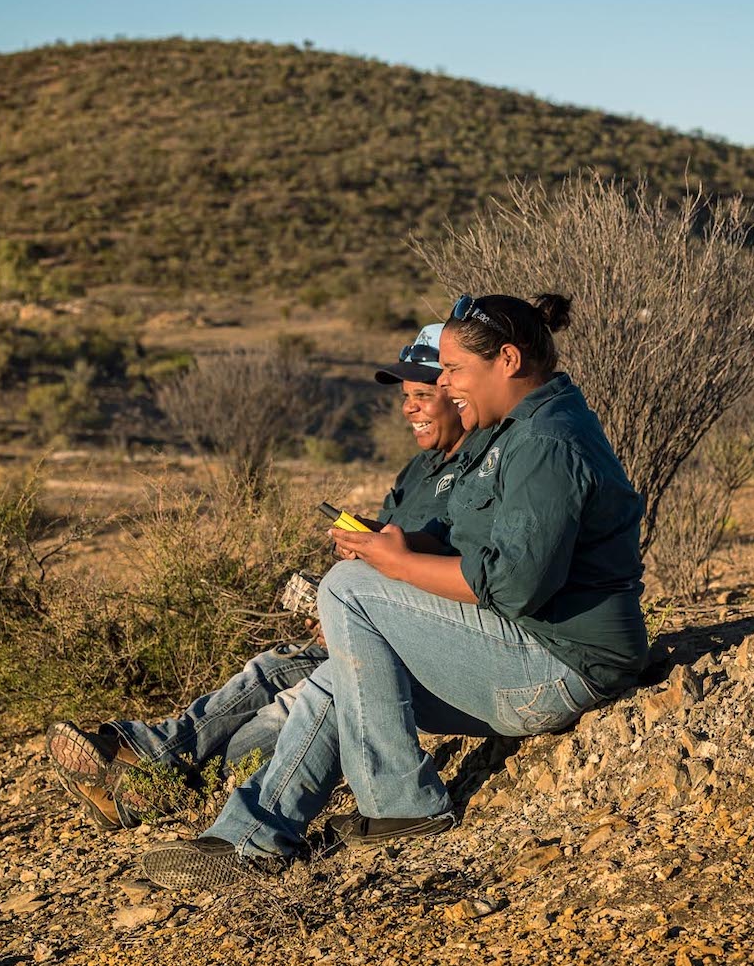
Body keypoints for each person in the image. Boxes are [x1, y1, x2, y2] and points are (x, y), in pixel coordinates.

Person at [139, 293, 647, 890]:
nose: (446, 383)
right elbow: (497, 561)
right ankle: (252, 838)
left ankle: (403, 802)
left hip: (560, 665)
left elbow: (513, 587)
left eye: (454, 370)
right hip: (532, 651)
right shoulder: (523, 431)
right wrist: (401, 552)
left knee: (351, 588)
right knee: (343, 672)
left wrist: (396, 566)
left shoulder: (545, 441)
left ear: (507, 359)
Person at [45, 323, 473, 830]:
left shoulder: (478, 471)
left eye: (424, 395)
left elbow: (466, 574)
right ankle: (148, 760)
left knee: (283, 711)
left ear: (460, 394)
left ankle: (156, 788)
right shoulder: (417, 474)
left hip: (420, 642)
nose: (410, 408)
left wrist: (371, 591)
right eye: (407, 397)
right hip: (377, 626)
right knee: (271, 667)